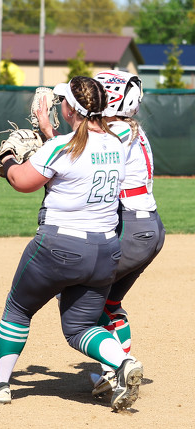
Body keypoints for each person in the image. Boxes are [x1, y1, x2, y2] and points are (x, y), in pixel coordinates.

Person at [0, 76, 143, 411]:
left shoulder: (61, 147)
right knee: (80, 327)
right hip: (105, 250)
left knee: (18, 310)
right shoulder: (118, 144)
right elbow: (78, 152)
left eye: (63, 101)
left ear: (70, 109)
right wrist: (49, 132)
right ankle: (123, 362)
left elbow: (22, 181)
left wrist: (8, 158)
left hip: (59, 247)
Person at [87, 70, 165, 396]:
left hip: (131, 228)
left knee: (79, 293)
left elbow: (82, 158)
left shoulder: (117, 130)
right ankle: (119, 370)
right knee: (109, 302)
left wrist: (47, 137)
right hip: (148, 227)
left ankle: (117, 368)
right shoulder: (129, 127)